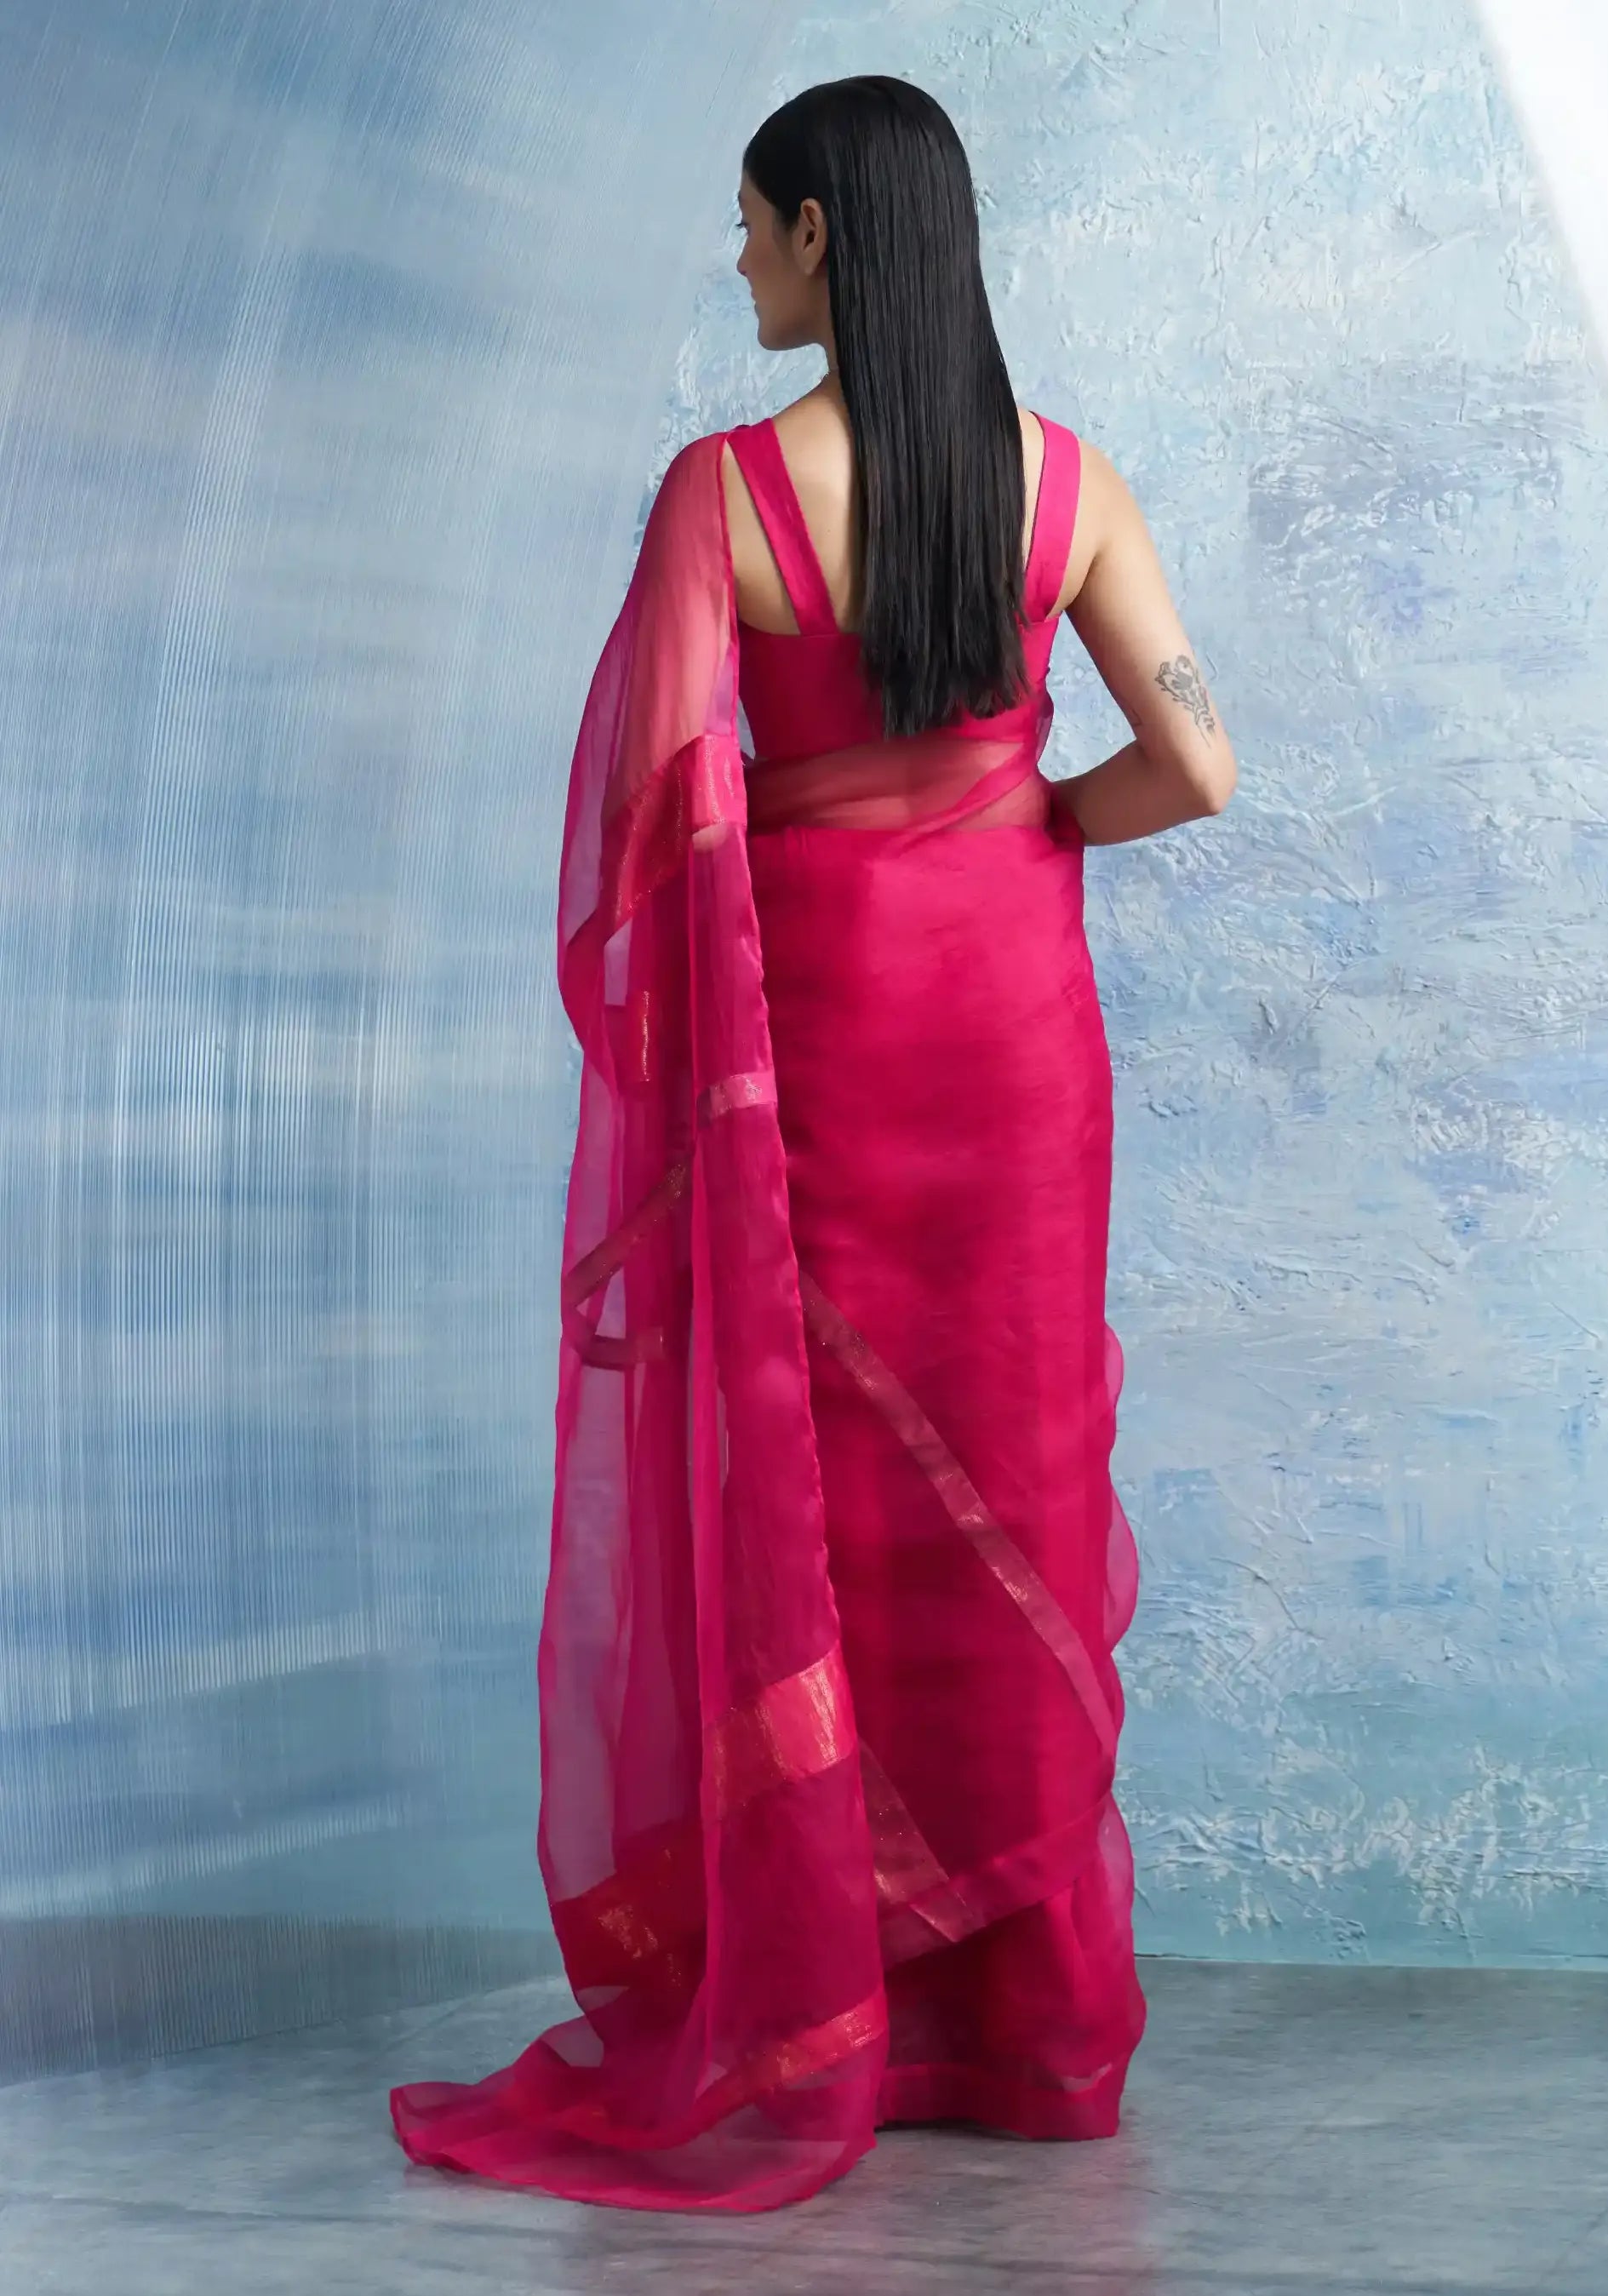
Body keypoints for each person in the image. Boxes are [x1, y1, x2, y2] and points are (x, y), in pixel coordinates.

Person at [388, 73, 1235, 2216]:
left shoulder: (726, 496)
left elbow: (648, 812)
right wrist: (1031, 817)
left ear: (824, 238)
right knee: (1015, 1473)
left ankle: (825, 1998)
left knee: (820, 1497)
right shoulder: (1067, 483)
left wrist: (786, 850)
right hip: (1015, 1030)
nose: (741, 257)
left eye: (754, 223)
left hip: (821, 1028)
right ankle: (1023, 2029)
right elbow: (1197, 764)